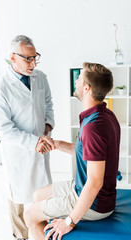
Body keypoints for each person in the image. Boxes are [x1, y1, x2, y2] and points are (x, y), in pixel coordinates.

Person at [24, 62, 121, 240]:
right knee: (38, 195)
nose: (75, 80)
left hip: (95, 203)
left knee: (29, 214)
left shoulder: (93, 127)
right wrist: (57, 144)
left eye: (79, 77)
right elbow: (88, 153)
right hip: (84, 188)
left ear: (87, 88)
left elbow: (94, 183)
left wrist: (69, 221)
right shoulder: (103, 115)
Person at [0, 35, 55, 240]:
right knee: (17, 197)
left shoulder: (41, 77)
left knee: (42, 194)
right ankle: (20, 236)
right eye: (28, 59)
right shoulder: (0, 87)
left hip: (41, 147)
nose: (33, 63)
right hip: (17, 151)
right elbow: (4, 128)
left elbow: (48, 104)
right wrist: (33, 142)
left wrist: (47, 127)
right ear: (12, 57)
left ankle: (42, 231)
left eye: (35, 57)